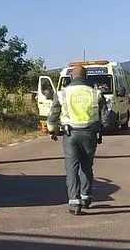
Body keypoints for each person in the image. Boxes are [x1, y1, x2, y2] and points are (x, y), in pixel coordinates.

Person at [47, 65, 110, 215]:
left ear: (71, 77)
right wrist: (100, 129)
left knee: (72, 169)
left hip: (70, 135)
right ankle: (86, 198)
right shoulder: (96, 93)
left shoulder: (62, 94)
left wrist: (51, 130)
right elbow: (106, 118)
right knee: (87, 167)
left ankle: (75, 204)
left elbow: (53, 116)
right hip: (90, 135)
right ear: (86, 77)